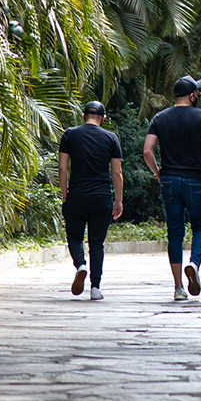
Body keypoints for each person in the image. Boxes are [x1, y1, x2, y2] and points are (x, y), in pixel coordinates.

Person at [142, 75, 201, 301]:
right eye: (198, 92)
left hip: (169, 179)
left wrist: (158, 173)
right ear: (192, 95)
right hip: (196, 179)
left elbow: (147, 151)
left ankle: (178, 288)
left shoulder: (159, 117)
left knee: (175, 232)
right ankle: (194, 264)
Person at [58, 100, 123, 301]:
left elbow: (62, 168)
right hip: (101, 197)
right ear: (103, 119)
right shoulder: (111, 138)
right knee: (97, 243)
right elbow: (117, 172)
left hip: (77, 194)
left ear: (84, 116)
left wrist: (65, 193)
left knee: (75, 237)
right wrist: (118, 200)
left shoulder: (70, 134)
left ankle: (81, 265)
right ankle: (95, 288)